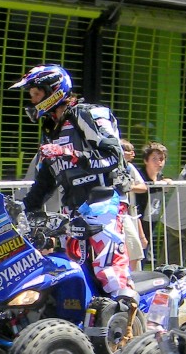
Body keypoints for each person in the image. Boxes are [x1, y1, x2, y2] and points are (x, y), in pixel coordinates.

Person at [10, 64, 133, 297]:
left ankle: (129, 327)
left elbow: (113, 157)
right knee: (76, 272)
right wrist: (20, 209)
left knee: (109, 272)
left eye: (36, 94)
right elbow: (45, 182)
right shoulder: (51, 128)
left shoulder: (89, 114)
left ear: (53, 90)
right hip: (72, 209)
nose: (32, 100)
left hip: (103, 200)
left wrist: (71, 154)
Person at [137, 141, 172, 267]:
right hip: (137, 224)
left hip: (150, 223)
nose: (159, 162)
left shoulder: (160, 177)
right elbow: (134, 209)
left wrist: (166, 183)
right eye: (154, 159)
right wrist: (141, 236)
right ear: (146, 161)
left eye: (161, 159)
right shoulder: (139, 177)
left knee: (144, 258)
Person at [120, 139, 147, 271]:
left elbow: (142, 186)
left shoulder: (129, 167)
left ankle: (135, 283)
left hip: (124, 213)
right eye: (126, 150)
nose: (131, 154)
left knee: (134, 251)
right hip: (106, 213)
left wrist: (127, 186)